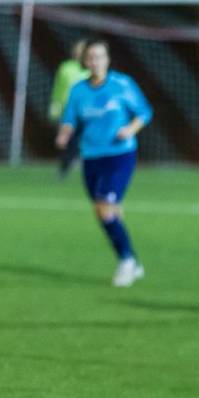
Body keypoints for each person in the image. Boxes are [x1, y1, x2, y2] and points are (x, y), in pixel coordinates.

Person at [55, 39, 153, 287]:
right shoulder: (78, 90)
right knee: (105, 212)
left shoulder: (122, 84)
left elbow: (144, 112)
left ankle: (127, 261)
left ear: (107, 60)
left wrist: (130, 129)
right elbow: (70, 118)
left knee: (105, 207)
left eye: (100, 57)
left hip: (120, 155)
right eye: (91, 57)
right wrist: (65, 133)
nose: (95, 62)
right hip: (91, 156)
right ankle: (133, 261)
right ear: (85, 62)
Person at [49, 39, 89, 179]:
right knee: (68, 142)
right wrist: (55, 108)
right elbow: (58, 89)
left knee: (88, 142)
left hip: (87, 113)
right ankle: (64, 170)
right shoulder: (66, 67)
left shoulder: (91, 69)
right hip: (68, 112)